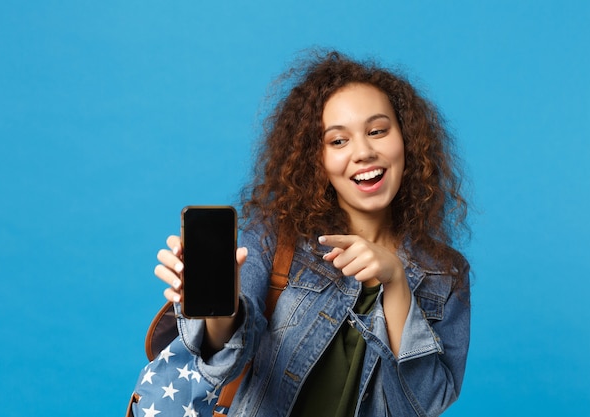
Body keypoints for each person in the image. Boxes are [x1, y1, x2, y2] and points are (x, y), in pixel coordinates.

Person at [154, 50, 470, 417]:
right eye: (338, 141)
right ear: (315, 158)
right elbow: (224, 362)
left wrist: (396, 283)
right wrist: (214, 304)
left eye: (378, 131)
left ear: (407, 140)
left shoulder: (444, 275)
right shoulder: (276, 238)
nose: (364, 152)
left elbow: (426, 404)